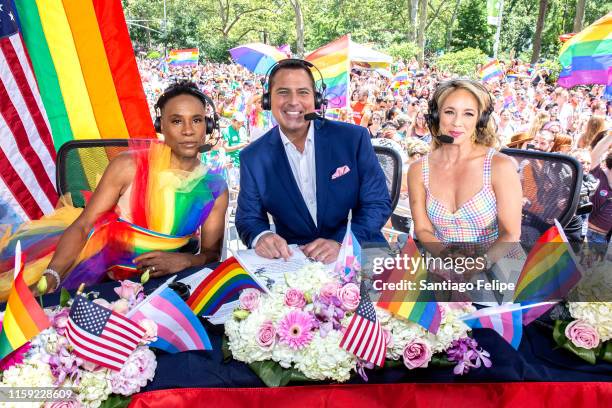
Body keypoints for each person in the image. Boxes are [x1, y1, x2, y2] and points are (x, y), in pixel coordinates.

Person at [0, 82, 228, 300]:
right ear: (161, 128)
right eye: (177, 121)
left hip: (160, 285)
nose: (188, 130)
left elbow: (210, 255)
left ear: (207, 127)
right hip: (97, 271)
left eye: (196, 120)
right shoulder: (128, 165)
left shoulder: (216, 187)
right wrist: (51, 277)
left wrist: (185, 260)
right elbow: (84, 225)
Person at [236, 59, 391, 264]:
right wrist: (262, 237)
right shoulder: (253, 157)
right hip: (293, 262)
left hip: (356, 249)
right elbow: (248, 219)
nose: (293, 101)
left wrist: (341, 242)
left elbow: (377, 203)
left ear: (316, 99)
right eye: (283, 92)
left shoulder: (353, 139)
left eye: (303, 92)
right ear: (267, 101)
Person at [407, 79, 522, 265]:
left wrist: (479, 263)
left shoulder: (500, 167)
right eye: (449, 112)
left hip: (500, 270)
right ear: (436, 116)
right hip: (446, 267)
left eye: (468, 114)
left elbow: (511, 233)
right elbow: (423, 230)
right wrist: (446, 256)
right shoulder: (418, 170)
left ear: (480, 119)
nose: (457, 122)